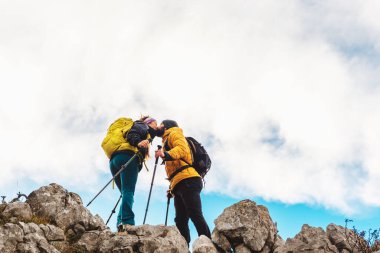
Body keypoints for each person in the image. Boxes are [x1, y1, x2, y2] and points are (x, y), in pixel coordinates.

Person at [155, 120, 211, 244]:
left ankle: (208, 244)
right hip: (180, 182)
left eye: (160, 125)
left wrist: (165, 154)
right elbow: (176, 168)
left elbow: (182, 149)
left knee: (194, 213)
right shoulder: (166, 139)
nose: (158, 127)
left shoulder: (174, 133)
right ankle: (184, 247)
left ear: (166, 126)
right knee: (180, 219)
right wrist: (171, 189)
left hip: (188, 179)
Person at [109, 116, 158, 231]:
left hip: (114, 160)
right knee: (128, 191)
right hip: (128, 157)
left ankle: (120, 223)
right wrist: (138, 142)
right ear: (149, 123)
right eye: (155, 124)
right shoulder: (142, 125)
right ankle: (127, 222)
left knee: (125, 193)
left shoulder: (144, 131)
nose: (156, 126)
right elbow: (132, 134)